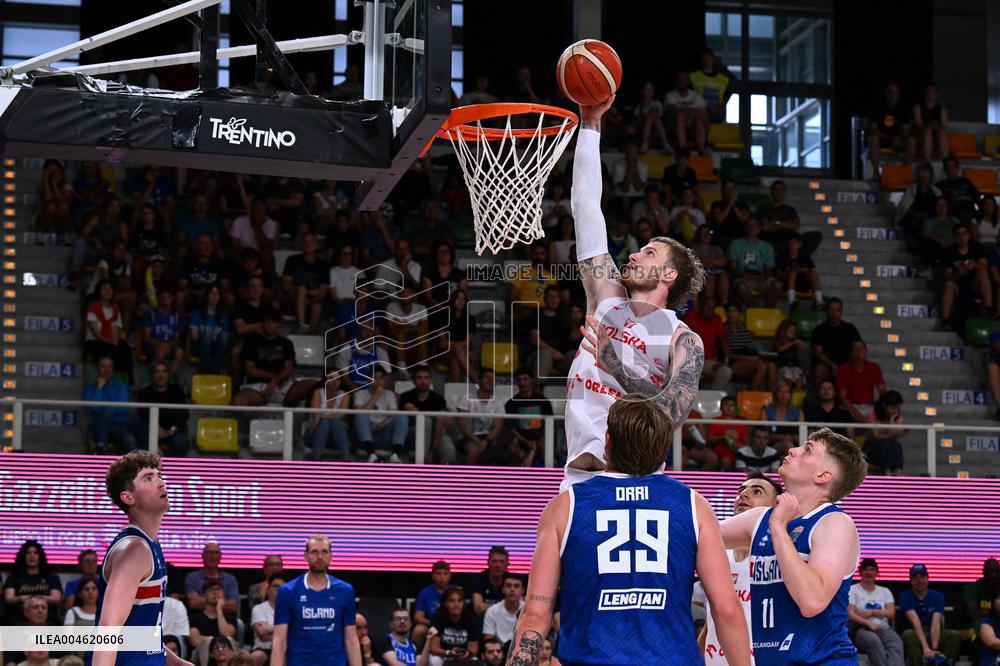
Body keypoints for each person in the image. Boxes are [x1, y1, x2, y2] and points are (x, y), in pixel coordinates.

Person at [507, 395, 750, 666]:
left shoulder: (564, 507)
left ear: (607, 442)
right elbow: (726, 609)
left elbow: (535, 615)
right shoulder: (694, 506)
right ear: (663, 448)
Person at [564, 94, 705, 490]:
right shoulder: (606, 295)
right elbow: (586, 207)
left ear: (669, 273)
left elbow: (672, 415)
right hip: (577, 478)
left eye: (649, 252)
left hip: (638, 480)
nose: (635, 255)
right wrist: (591, 125)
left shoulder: (683, 339)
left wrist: (616, 367)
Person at [720, 427, 868, 665]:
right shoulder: (758, 518)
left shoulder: (834, 523)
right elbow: (695, 533)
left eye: (807, 450)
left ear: (823, 476)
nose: (793, 450)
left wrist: (779, 528)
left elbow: (812, 601)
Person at [88, 451, 193, 666]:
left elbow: (138, 629)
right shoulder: (134, 550)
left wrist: (171, 660)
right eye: (148, 478)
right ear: (128, 497)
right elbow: (108, 629)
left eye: (159, 475)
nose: (161, 482)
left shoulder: (150, 544)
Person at [702, 472, 781, 665]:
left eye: (757, 491)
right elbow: (711, 619)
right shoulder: (716, 553)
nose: (744, 494)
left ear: (776, 507)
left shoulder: (780, 554)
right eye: (741, 490)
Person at [271, 535, 361, 666]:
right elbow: (279, 641)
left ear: (331, 556)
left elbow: (351, 639)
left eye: (324, 552)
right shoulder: (288, 591)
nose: (320, 557)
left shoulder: (345, 591)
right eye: (314, 552)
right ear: (306, 556)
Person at [232, 308, 315, 408]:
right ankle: (256, 420)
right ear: (262, 323)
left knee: (314, 385)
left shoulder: (286, 343)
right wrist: (273, 378)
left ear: (278, 324)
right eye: (267, 322)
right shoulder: (251, 342)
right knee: (238, 401)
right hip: (256, 388)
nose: (270, 326)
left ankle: (293, 411)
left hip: (283, 387)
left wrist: (274, 382)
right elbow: (250, 370)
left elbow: (288, 368)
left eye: (274, 322)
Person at [898, 563, 961, 665]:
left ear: (928, 579)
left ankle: (942, 662)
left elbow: (936, 623)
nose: (919, 581)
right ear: (911, 581)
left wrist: (934, 649)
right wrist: (926, 648)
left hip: (933, 632)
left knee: (955, 635)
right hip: (915, 633)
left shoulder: (938, 596)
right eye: (915, 578)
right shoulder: (905, 596)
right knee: (907, 634)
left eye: (922, 577)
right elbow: (916, 623)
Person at [848, 558, 904, 666]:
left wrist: (871, 612)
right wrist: (869, 623)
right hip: (860, 628)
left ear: (876, 572)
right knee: (873, 641)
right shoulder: (853, 589)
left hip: (882, 627)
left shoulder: (884, 591)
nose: (869, 573)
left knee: (896, 642)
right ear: (860, 572)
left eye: (872, 570)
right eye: (866, 570)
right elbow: (851, 614)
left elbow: (891, 613)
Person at [352, 364, 408, 463]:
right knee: (360, 415)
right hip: (366, 435)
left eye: (380, 378)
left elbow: (393, 416)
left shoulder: (389, 394)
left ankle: (395, 454)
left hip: (383, 433)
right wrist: (376, 395)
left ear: (385, 380)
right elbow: (360, 414)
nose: (377, 381)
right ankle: (371, 454)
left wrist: (380, 425)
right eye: (374, 378)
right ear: (368, 380)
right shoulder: (359, 394)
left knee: (402, 417)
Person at [83, 356, 139, 454]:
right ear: (97, 368)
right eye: (103, 366)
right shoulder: (90, 388)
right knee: (105, 414)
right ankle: (100, 448)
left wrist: (106, 410)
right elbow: (93, 408)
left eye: (109, 367)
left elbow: (122, 408)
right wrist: (99, 389)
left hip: (117, 425)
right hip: (97, 426)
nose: (106, 370)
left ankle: (101, 446)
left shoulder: (120, 386)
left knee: (130, 440)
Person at [940, 222, 992, 326]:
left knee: (982, 273)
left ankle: (989, 308)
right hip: (958, 286)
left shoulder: (977, 248)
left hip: (974, 284)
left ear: (968, 235)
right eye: (958, 234)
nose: (961, 237)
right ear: (954, 237)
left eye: (964, 233)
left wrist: (974, 265)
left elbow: (985, 267)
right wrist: (958, 273)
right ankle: (945, 320)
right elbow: (948, 276)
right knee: (948, 284)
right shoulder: (949, 252)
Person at [136, 361, 190, 456]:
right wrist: (155, 428)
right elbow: (142, 414)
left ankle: (176, 468)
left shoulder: (177, 390)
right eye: (157, 371)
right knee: (137, 425)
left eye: (164, 371)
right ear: (152, 375)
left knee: (180, 441)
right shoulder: (144, 392)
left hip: (173, 431)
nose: (161, 375)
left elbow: (184, 414)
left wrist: (171, 430)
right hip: (151, 431)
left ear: (168, 374)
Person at [452, 368, 504, 466]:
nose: (490, 381)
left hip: (487, 438)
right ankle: (467, 479)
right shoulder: (466, 398)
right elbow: (463, 426)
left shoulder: (498, 402)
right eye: (487, 378)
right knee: (473, 449)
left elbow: (497, 427)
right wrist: (478, 442)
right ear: (478, 381)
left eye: (493, 379)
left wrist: (486, 441)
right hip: (466, 437)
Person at [281, 232, 330, 335]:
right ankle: (301, 324)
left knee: (317, 307)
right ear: (301, 244)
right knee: (302, 289)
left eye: (311, 241)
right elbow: (286, 286)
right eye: (305, 242)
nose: (308, 244)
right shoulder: (292, 260)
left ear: (316, 245)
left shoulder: (323, 265)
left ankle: (309, 337)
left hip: (312, 300)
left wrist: (307, 301)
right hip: (292, 299)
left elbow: (323, 292)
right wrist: (303, 293)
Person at [728, 217, 782, 308]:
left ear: (759, 229)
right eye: (748, 226)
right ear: (744, 228)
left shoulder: (767, 247)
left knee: (778, 284)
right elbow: (733, 266)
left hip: (760, 276)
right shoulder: (735, 244)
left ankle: (768, 310)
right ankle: (752, 310)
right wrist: (742, 275)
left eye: (754, 226)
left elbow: (769, 269)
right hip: (743, 276)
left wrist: (764, 276)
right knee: (741, 286)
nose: (751, 228)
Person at [3, 541, 63, 624]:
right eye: (28, 553)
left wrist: (36, 599)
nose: (32, 555)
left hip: (47, 617)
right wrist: (21, 598)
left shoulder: (51, 577)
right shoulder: (14, 576)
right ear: (23, 556)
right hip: (18, 617)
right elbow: (9, 598)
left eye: (35, 553)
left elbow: (56, 598)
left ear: (40, 556)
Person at [504, 370, 554, 467]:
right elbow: (511, 428)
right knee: (512, 445)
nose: (522, 382)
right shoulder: (511, 403)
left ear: (531, 380)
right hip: (520, 439)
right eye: (519, 380)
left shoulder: (544, 402)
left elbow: (549, 425)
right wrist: (525, 441)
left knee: (542, 445)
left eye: (525, 379)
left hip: (538, 439)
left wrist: (537, 441)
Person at [683, 294, 732, 390]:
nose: (710, 310)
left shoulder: (717, 319)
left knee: (726, 371)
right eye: (707, 307)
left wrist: (725, 362)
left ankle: (710, 397)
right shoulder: (690, 317)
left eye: (713, 307)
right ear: (701, 306)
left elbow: (723, 342)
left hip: (709, 362)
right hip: (690, 360)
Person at [867, 82, 915, 173]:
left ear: (898, 94)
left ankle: (905, 171)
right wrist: (889, 137)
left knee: (912, 141)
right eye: (890, 92)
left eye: (895, 93)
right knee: (873, 139)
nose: (892, 95)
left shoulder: (904, 108)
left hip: (898, 140)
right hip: (882, 140)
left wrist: (899, 137)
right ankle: (876, 172)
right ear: (886, 93)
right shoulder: (878, 107)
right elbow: (873, 129)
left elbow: (906, 129)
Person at [810, 298, 862, 381]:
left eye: (837, 310)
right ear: (827, 311)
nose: (834, 313)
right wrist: (832, 365)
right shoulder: (819, 330)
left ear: (841, 312)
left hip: (847, 365)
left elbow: (859, 348)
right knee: (820, 369)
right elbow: (817, 353)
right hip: (827, 365)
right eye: (831, 309)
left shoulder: (850, 328)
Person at [306, 370, 352, 460]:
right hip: (314, 433)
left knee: (336, 422)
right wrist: (323, 417)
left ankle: (346, 459)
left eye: (338, 379)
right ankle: (317, 458)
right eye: (331, 378)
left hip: (336, 437)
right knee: (324, 424)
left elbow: (341, 416)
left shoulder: (345, 395)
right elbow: (316, 414)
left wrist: (322, 416)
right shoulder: (318, 392)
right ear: (325, 380)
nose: (334, 382)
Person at [837, 340, 886, 422]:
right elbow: (842, 397)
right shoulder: (844, 369)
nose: (859, 350)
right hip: (850, 407)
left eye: (861, 348)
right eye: (855, 348)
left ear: (866, 351)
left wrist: (878, 408)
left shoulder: (874, 367)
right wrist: (856, 413)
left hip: (870, 406)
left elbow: (882, 391)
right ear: (850, 352)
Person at [183, 543, 239, 613]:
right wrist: (221, 603)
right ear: (203, 556)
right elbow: (193, 603)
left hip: (226, 618)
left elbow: (233, 606)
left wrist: (205, 601)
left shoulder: (230, 579)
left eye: (216, 553)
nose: (213, 556)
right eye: (209, 553)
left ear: (220, 556)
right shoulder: (192, 577)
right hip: (198, 619)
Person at [187, 284, 230, 374]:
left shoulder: (223, 316)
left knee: (223, 336)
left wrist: (211, 337)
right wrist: (209, 336)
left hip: (216, 348)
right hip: (199, 346)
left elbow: (224, 338)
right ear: (207, 296)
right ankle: (204, 370)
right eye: (212, 293)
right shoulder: (197, 313)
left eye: (217, 293)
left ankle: (216, 371)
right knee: (207, 334)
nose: (214, 296)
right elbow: (194, 336)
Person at [430, 586, 479, 663]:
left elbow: (474, 649)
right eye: (452, 601)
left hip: (463, 657)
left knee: (474, 660)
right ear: (445, 603)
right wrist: (449, 652)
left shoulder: (470, 620)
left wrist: (468, 653)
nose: (456, 604)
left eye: (459, 601)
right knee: (434, 660)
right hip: (444, 655)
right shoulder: (437, 619)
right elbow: (434, 648)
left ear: (463, 603)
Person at [186, 579, 237, 649]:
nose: (215, 592)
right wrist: (219, 641)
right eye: (210, 590)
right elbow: (195, 640)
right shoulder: (194, 617)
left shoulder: (230, 617)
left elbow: (227, 637)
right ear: (204, 595)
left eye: (218, 589)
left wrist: (219, 610)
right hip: (202, 653)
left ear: (223, 594)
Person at [665, 71, 708, 153]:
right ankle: (682, 149)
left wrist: (686, 110)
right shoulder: (670, 95)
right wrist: (693, 110)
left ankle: (701, 150)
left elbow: (704, 115)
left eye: (684, 80)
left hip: (692, 127)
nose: (682, 82)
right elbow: (675, 111)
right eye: (679, 80)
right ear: (676, 82)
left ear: (689, 82)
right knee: (680, 116)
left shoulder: (696, 96)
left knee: (699, 120)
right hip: (674, 127)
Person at [250, 571, 287, 666]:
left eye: (283, 587)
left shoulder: (293, 609)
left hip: (287, 648)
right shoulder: (259, 608)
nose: (279, 590)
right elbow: (262, 634)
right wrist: (286, 630)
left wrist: (269, 628)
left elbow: (296, 632)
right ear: (268, 589)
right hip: (264, 649)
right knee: (256, 656)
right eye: (276, 587)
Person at [865, 391, 905, 475]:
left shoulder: (897, 416)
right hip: (871, 447)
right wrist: (890, 435)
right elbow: (876, 436)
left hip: (890, 447)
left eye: (897, 407)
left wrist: (891, 420)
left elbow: (894, 435)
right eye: (892, 407)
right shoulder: (872, 413)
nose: (895, 410)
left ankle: (898, 470)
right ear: (884, 405)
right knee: (884, 444)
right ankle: (887, 471)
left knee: (897, 445)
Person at [413, 561, 451, 649]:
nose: (442, 577)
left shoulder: (455, 592)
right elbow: (418, 617)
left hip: (451, 627)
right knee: (418, 630)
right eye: (438, 574)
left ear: (450, 575)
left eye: (445, 573)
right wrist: (433, 623)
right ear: (432, 576)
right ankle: (417, 657)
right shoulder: (425, 592)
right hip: (432, 626)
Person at [690, 48, 730, 123]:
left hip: (717, 114)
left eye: (709, 58)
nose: (707, 61)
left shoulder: (724, 79)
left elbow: (727, 95)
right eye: (704, 59)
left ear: (713, 60)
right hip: (699, 114)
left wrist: (721, 107)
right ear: (701, 61)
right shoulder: (693, 77)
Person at [763, 382, 804, 455]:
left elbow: (802, 433)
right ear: (776, 394)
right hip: (772, 444)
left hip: (795, 444)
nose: (784, 395)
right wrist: (782, 437)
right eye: (781, 391)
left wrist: (792, 438)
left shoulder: (798, 411)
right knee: (788, 446)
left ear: (790, 395)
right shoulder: (767, 410)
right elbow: (762, 433)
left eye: (787, 392)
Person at [482, 574, 524, 645]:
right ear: (503, 589)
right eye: (508, 585)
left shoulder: (529, 611)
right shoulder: (492, 611)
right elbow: (488, 641)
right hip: (498, 652)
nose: (512, 589)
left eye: (516, 586)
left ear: (522, 590)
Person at [912, 85, 949, 161]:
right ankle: (927, 161)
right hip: (920, 138)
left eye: (933, 91)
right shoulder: (918, 107)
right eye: (929, 91)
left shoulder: (942, 110)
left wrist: (936, 127)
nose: (931, 93)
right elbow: (919, 124)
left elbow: (944, 126)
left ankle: (945, 161)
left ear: (937, 94)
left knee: (942, 132)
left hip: (935, 139)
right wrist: (929, 126)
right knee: (927, 131)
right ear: (925, 94)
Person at [472, 546, 510, 616]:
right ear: (488, 563)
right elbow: (478, 608)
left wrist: (486, 606)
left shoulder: (512, 580)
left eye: (501, 562)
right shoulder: (479, 579)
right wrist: (507, 607)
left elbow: (518, 608)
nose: (498, 565)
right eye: (494, 561)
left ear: (507, 564)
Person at [634, 81, 669, 153]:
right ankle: (664, 144)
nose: (650, 91)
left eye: (651, 89)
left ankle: (647, 143)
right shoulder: (639, 105)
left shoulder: (657, 103)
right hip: (642, 128)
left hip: (656, 129)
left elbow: (659, 115)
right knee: (651, 117)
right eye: (647, 89)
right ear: (643, 91)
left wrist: (649, 116)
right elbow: (636, 119)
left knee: (655, 118)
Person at [964, 557, 1000, 626]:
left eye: (996, 571)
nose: (994, 575)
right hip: (975, 627)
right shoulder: (972, 588)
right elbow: (974, 615)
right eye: (990, 571)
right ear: (983, 572)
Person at [977, 591, 1000, 666]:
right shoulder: (986, 621)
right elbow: (992, 642)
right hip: (992, 659)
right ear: (993, 602)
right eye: (999, 598)